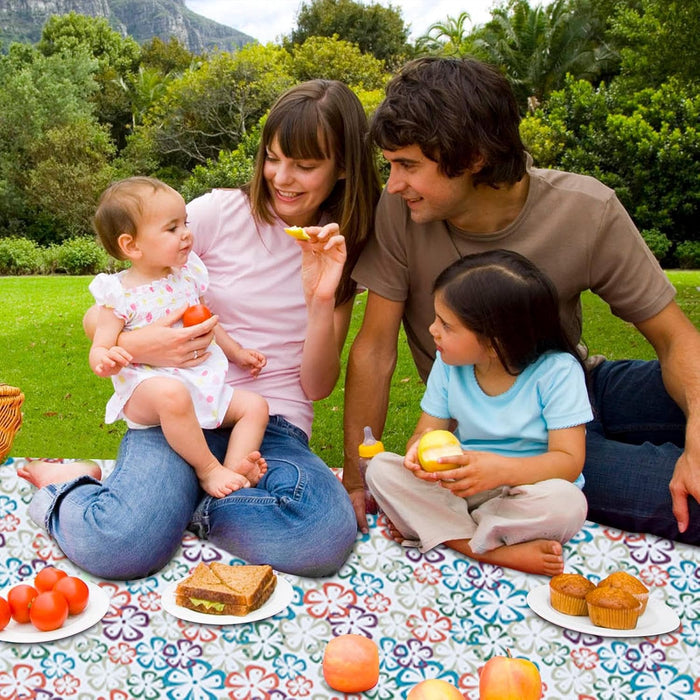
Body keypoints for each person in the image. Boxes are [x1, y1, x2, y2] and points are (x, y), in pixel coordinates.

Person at [18, 79, 382, 579]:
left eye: (305, 165)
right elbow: (107, 309)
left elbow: (316, 386)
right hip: (176, 410)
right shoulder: (217, 212)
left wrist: (320, 300)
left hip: (268, 424)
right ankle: (73, 486)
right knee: (120, 548)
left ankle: (178, 505)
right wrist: (137, 343)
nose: (282, 177)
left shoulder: (341, 248)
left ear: (342, 167)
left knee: (319, 535)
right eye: (274, 158)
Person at [344, 56, 700, 545]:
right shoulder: (400, 211)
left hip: (575, 385)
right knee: (691, 501)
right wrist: (359, 480)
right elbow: (375, 350)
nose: (393, 184)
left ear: (471, 158)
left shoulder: (585, 209)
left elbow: (676, 338)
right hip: (502, 438)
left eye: (408, 166)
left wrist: (697, 431)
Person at [366, 250, 593, 576]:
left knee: (568, 504)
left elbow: (569, 462)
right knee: (381, 470)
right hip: (460, 487)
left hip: (526, 491)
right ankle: (491, 550)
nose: (433, 330)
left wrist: (502, 471)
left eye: (446, 324)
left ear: (494, 341)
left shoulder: (557, 372)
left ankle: (447, 531)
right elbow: (424, 432)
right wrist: (418, 452)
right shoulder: (448, 365)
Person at [88, 176, 269, 498]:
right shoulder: (118, 294)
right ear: (132, 245)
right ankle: (209, 470)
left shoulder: (185, 277)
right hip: (147, 391)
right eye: (172, 228)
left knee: (254, 406)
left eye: (185, 223)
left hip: (195, 383)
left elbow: (205, 323)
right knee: (172, 395)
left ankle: (237, 467)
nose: (186, 234)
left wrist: (237, 352)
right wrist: (105, 360)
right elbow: (101, 344)